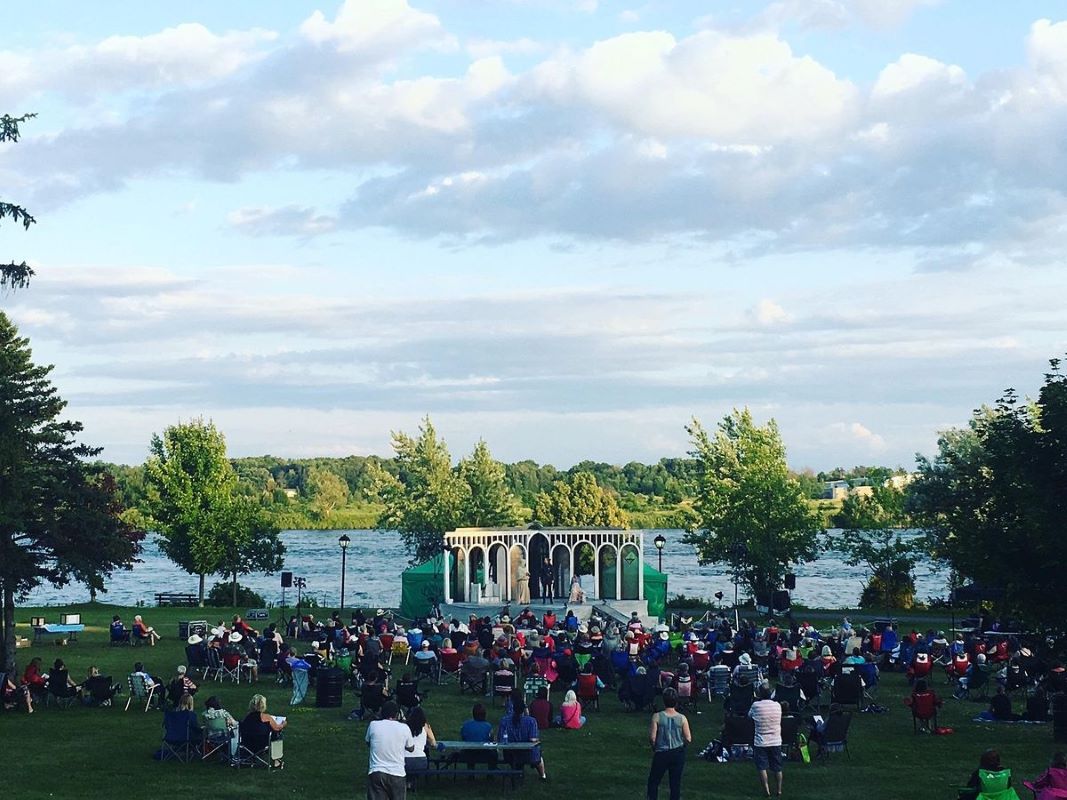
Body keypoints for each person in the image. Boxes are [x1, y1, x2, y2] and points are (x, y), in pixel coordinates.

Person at [646, 688, 691, 800]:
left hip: (662, 752)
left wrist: (654, 746)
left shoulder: (657, 716)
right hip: (677, 752)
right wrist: (683, 746)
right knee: (675, 784)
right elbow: (688, 738)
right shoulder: (682, 718)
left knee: (653, 781)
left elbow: (652, 737)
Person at [366, 700, 415, 800]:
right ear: (397, 714)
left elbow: (368, 742)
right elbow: (411, 748)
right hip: (397, 772)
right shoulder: (404, 728)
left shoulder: (373, 725)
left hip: (377, 771)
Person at [498, 697, 547, 780]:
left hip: (509, 755)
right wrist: (538, 741)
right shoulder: (531, 721)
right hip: (528, 755)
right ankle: (542, 775)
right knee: (537, 752)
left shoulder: (504, 720)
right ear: (524, 709)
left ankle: (518, 772)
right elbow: (533, 739)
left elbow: (501, 739)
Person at [749, 683, 783, 797]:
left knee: (762, 767)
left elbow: (749, 716)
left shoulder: (755, 706)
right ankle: (779, 790)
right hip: (775, 740)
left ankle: (767, 791)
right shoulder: (777, 705)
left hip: (761, 741)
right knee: (777, 767)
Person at [241, 694, 286, 767]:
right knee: (278, 734)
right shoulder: (266, 717)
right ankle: (276, 760)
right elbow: (277, 728)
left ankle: (251, 757)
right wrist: (283, 724)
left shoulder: (247, 718)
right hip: (261, 744)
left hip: (247, 744)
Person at [404, 706, 437, 775]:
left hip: (406, 759)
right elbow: (433, 743)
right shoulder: (426, 726)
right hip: (421, 759)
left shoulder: (405, 726)